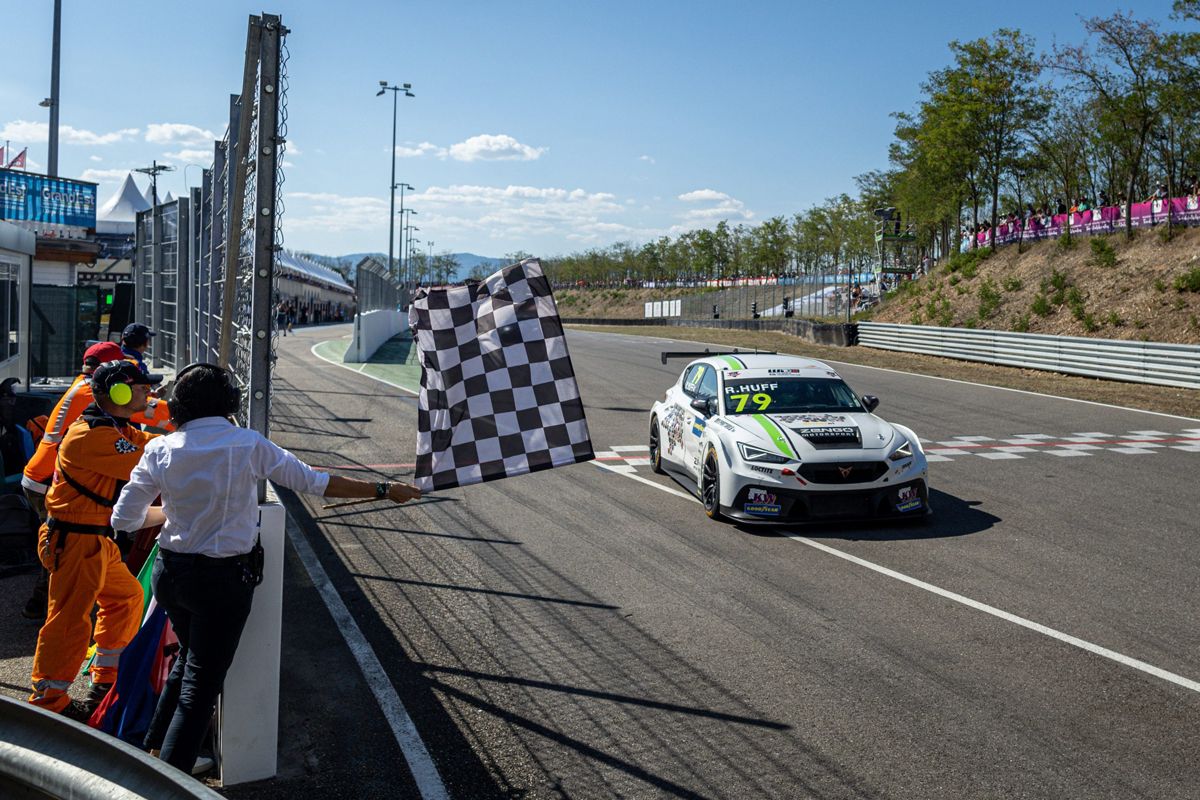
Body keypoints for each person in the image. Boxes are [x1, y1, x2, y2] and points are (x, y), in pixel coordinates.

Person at [111, 362, 421, 773]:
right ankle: (166, 782)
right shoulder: (247, 444)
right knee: (200, 689)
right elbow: (315, 482)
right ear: (229, 402)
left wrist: (171, 514)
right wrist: (383, 489)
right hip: (222, 581)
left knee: (189, 661)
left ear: (178, 405)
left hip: (170, 574)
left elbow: (124, 520)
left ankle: (151, 750)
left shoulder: (159, 448)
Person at [28, 360, 162, 718]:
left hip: (95, 537)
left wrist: (188, 439)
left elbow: (151, 443)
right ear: (118, 390)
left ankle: (105, 681)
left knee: (127, 597)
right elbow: (151, 462)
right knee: (69, 620)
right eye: (141, 386)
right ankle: (48, 702)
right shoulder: (93, 436)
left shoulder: (114, 427)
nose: (148, 393)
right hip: (76, 538)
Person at [20, 342, 172, 619]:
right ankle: (43, 602)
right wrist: (187, 416)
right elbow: (152, 413)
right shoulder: (90, 393)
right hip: (46, 479)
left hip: (46, 475)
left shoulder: (92, 393)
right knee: (64, 559)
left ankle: (52, 600)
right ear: (116, 386)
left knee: (121, 595)